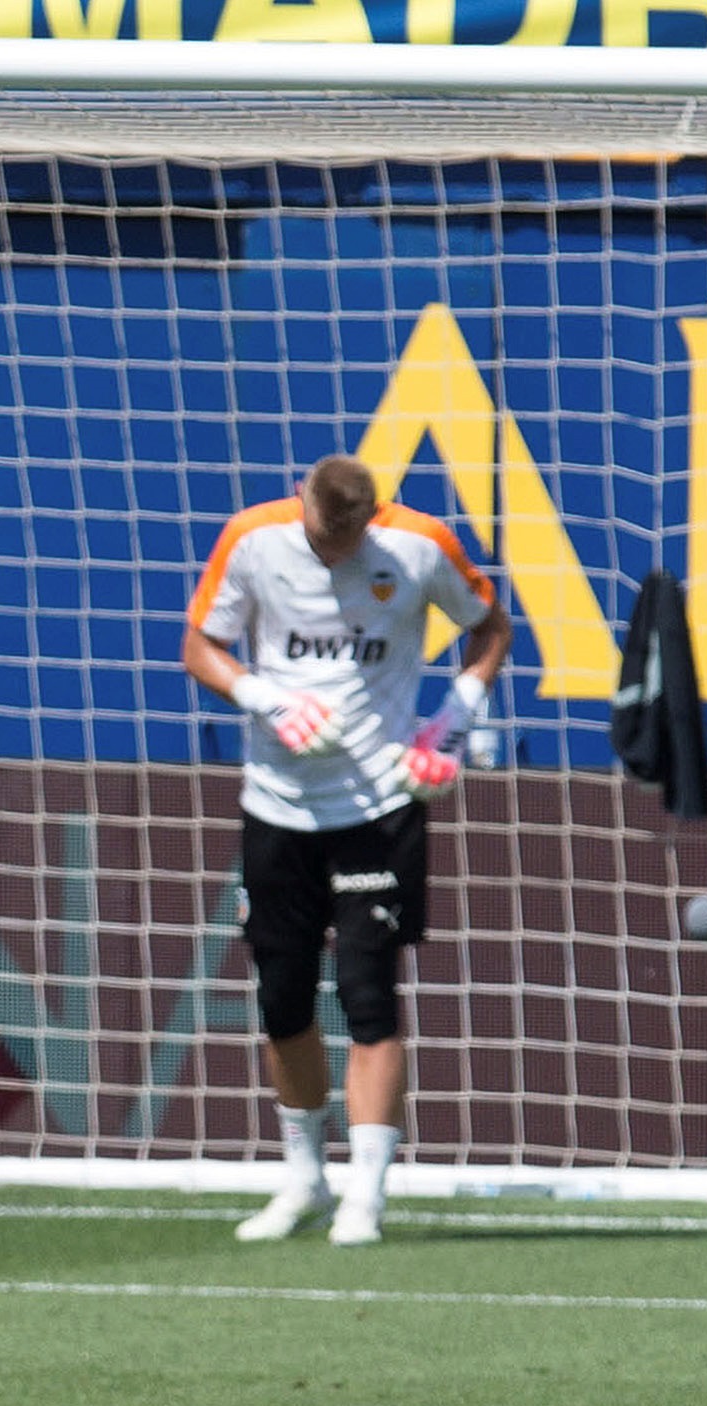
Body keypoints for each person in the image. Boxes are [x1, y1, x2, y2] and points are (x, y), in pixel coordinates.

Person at [183, 454, 510, 1248]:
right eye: (322, 533)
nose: (333, 549)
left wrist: (448, 726)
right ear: (300, 500)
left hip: (379, 807)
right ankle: (304, 1177)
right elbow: (200, 645)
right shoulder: (252, 538)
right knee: (282, 1000)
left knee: (369, 998)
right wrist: (262, 696)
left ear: (371, 519)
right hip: (277, 807)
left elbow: (489, 627)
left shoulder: (419, 545)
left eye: (347, 536)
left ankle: (366, 1193)